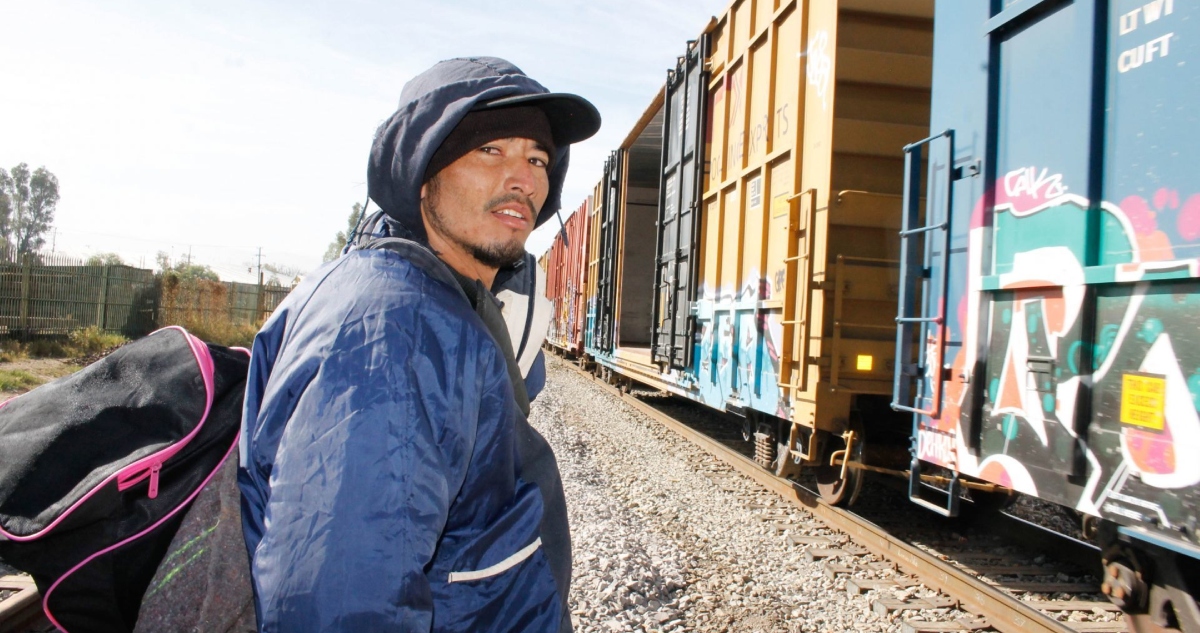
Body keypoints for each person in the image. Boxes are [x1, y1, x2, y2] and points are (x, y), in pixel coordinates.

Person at [237, 57, 601, 632]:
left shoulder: (449, 309)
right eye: (491, 151)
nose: (524, 178)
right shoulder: (397, 330)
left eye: (537, 158)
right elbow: (339, 608)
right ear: (423, 174)